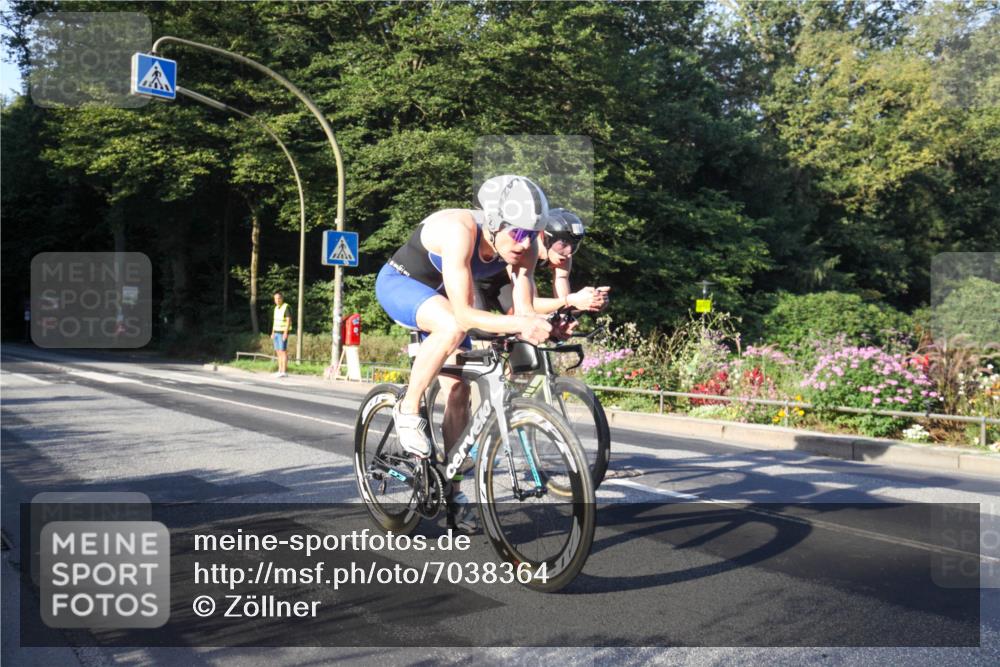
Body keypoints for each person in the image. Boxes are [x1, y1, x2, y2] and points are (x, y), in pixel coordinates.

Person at [374, 175, 554, 533]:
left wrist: (538, 324)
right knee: (453, 327)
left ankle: (454, 495)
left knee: (458, 392)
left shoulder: (526, 249)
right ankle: (408, 408)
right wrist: (519, 324)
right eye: (517, 234)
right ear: (493, 223)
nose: (525, 244)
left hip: (447, 301)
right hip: (403, 286)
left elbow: (522, 308)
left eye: (533, 234)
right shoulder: (460, 230)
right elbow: (463, 315)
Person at [476, 208, 610, 317]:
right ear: (544, 237)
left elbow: (564, 309)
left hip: (504, 283)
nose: (568, 253)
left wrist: (589, 300)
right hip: (478, 278)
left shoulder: (564, 255)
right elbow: (533, 303)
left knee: (519, 321)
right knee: (480, 328)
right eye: (562, 245)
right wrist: (571, 300)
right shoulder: (525, 249)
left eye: (573, 246)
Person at [271, 292, 292, 378]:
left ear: (282, 298)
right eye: (275, 299)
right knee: (278, 352)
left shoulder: (286, 307)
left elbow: (288, 320)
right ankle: (279, 370)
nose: (277, 300)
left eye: (278, 298)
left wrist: (285, 332)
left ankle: (284, 371)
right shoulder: (276, 308)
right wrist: (272, 332)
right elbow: (275, 321)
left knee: (283, 352)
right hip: (276, 332)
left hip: (282, 332)